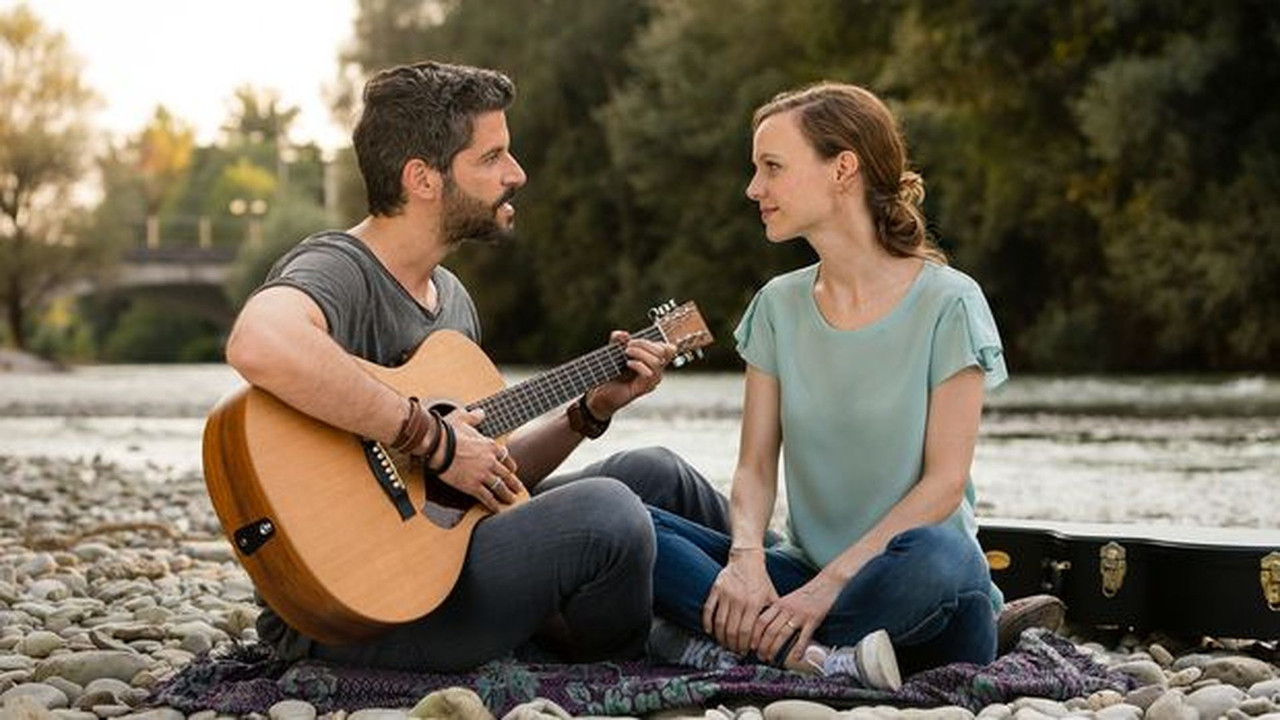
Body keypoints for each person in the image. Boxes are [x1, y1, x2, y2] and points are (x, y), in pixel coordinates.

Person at [223, 60, 684, 672]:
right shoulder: (342, 267)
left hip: (439, 562)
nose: (516, 174)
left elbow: (477, 481)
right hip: (356, 612)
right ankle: (637, 661)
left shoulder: (451, 299)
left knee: (657, 473)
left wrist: (588, 412)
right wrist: (428, 436)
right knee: (610, 515)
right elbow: (258, 341)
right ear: (423, 178)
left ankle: (776, 610)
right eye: (492, 157)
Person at [643, 82, 1010, 691]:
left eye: (772, 168)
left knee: (943, 557)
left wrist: (822, 591)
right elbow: (755, 468)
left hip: (915, 598)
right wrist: (747, 562)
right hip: (797, 580)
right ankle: (818, 662)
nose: (753, 189)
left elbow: (945, 484)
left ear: (843, 169)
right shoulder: (777, 307)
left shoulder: (950, 302)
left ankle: (732, 645)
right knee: (621, 522)